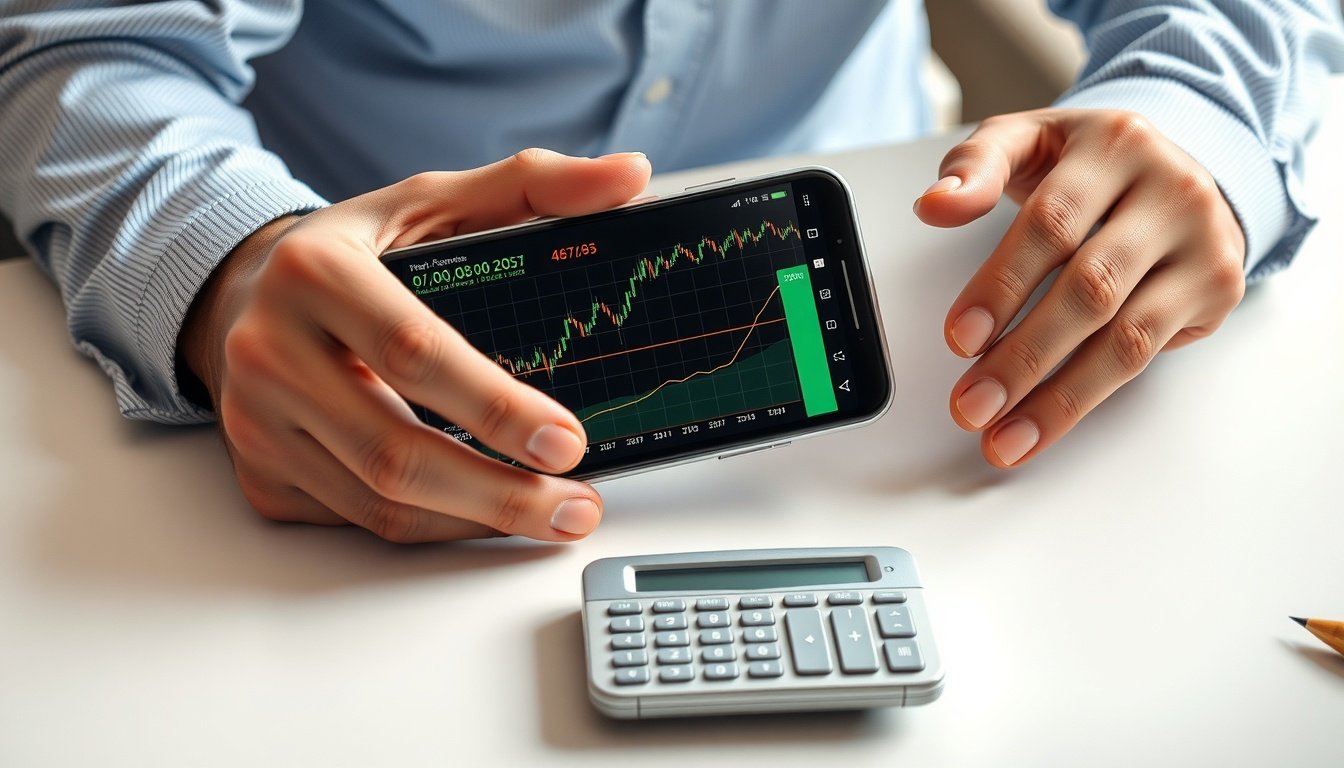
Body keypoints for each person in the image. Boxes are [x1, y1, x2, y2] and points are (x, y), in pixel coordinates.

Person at [1, 1, 1341, 543]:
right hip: (357, 383)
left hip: (916, 304)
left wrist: (1202, 130)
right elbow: (89, 49)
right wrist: (232, 266)